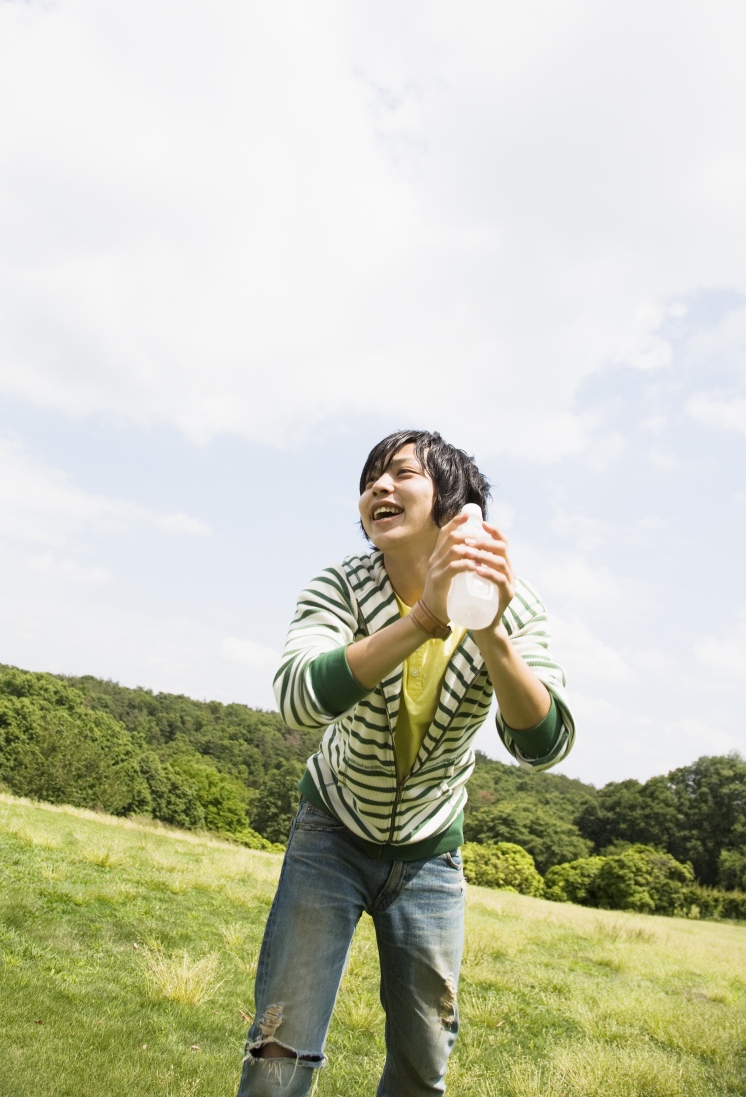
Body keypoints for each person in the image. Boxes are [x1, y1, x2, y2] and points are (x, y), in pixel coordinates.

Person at [236, 430, 575, 1097]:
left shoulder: (513, 601)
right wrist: (424, 616)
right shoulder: (344, 584)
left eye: (399, 474)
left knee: (424, 1063)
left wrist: (491, 632)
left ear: (453, 506)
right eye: (368, 481)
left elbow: (544, 744)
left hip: (429, 856)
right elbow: (299, 697)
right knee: (280, 1046)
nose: (377, 489)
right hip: (328, 835)